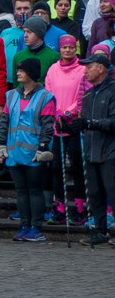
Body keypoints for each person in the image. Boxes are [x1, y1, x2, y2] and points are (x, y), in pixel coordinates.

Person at [0, 58, 57, 243]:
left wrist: (43, 146)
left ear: (31, 73)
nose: (18, 73)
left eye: (22, 70)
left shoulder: (45, 97)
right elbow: (4, 122)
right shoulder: (11, 95)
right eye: (18, 70)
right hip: (14, 152)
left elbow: (47, 126)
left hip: (33, 153)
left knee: (34, 190)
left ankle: (36, 227)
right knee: (21, 191)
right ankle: (24, 225)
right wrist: (1, 143)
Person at [66, 51, 115, 245]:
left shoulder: (112, 90)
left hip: (110, 150)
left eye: (89, 67)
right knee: (94, 193)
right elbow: (84, 123)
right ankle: (100, 231)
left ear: (101, 68)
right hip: (91, 149)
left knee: (112, 191)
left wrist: (90, 123)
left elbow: (112, 122)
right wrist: (70, 127)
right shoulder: (87, 95)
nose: (85, 71)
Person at [45, 35, 88, 224]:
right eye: (64, 47)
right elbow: (48, 92)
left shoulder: (82, 69)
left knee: (77, 166)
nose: (68, 50)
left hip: (74, 122)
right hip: (58, 124)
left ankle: (79, 208)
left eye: (71, 47)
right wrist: (56, 113)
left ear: (76, 49)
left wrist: (69, 112)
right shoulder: (53, 69)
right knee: (56, 167)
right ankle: (60, 207)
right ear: (60, 49)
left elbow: (82, 94)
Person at [12, 16, 59, 85]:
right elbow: (15, 83)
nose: (25, 35)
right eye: (24, 31)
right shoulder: (18, 56)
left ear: (39, 34)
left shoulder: (54, 57)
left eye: (29, 32)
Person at [0, 0, 30, 80]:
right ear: (14, 11)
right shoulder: (5, 33)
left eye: (26, 8)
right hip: (7, 81)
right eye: (19, 9)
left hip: (29, 80)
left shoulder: (36, 33)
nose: (22, 12)